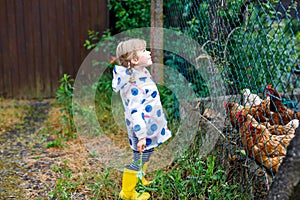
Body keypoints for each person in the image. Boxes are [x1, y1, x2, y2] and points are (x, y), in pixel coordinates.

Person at [112, 38, 172, 200]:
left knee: (147, 153)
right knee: (139, 159)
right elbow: (135, 112)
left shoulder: (138, 73)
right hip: (142, 130)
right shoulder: (133, 86)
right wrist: (141, 137)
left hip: (149, 127)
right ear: (135, 60)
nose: (149, 52)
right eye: (144, 51)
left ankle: (139, 178)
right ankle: (128, 192)